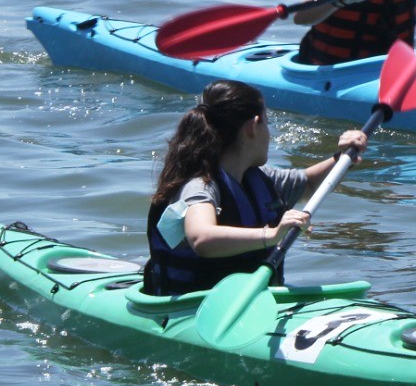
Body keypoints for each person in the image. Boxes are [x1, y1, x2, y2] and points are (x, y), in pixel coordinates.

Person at [143, 80, 369, 296]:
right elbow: (201, 238)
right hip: (196, 311)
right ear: (252, 127)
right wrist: (271, 234)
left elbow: (309, 184)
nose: (269, 133)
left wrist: (342, 158)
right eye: (267, 123)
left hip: (251, 304)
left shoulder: (259, 178)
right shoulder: (200, 186)